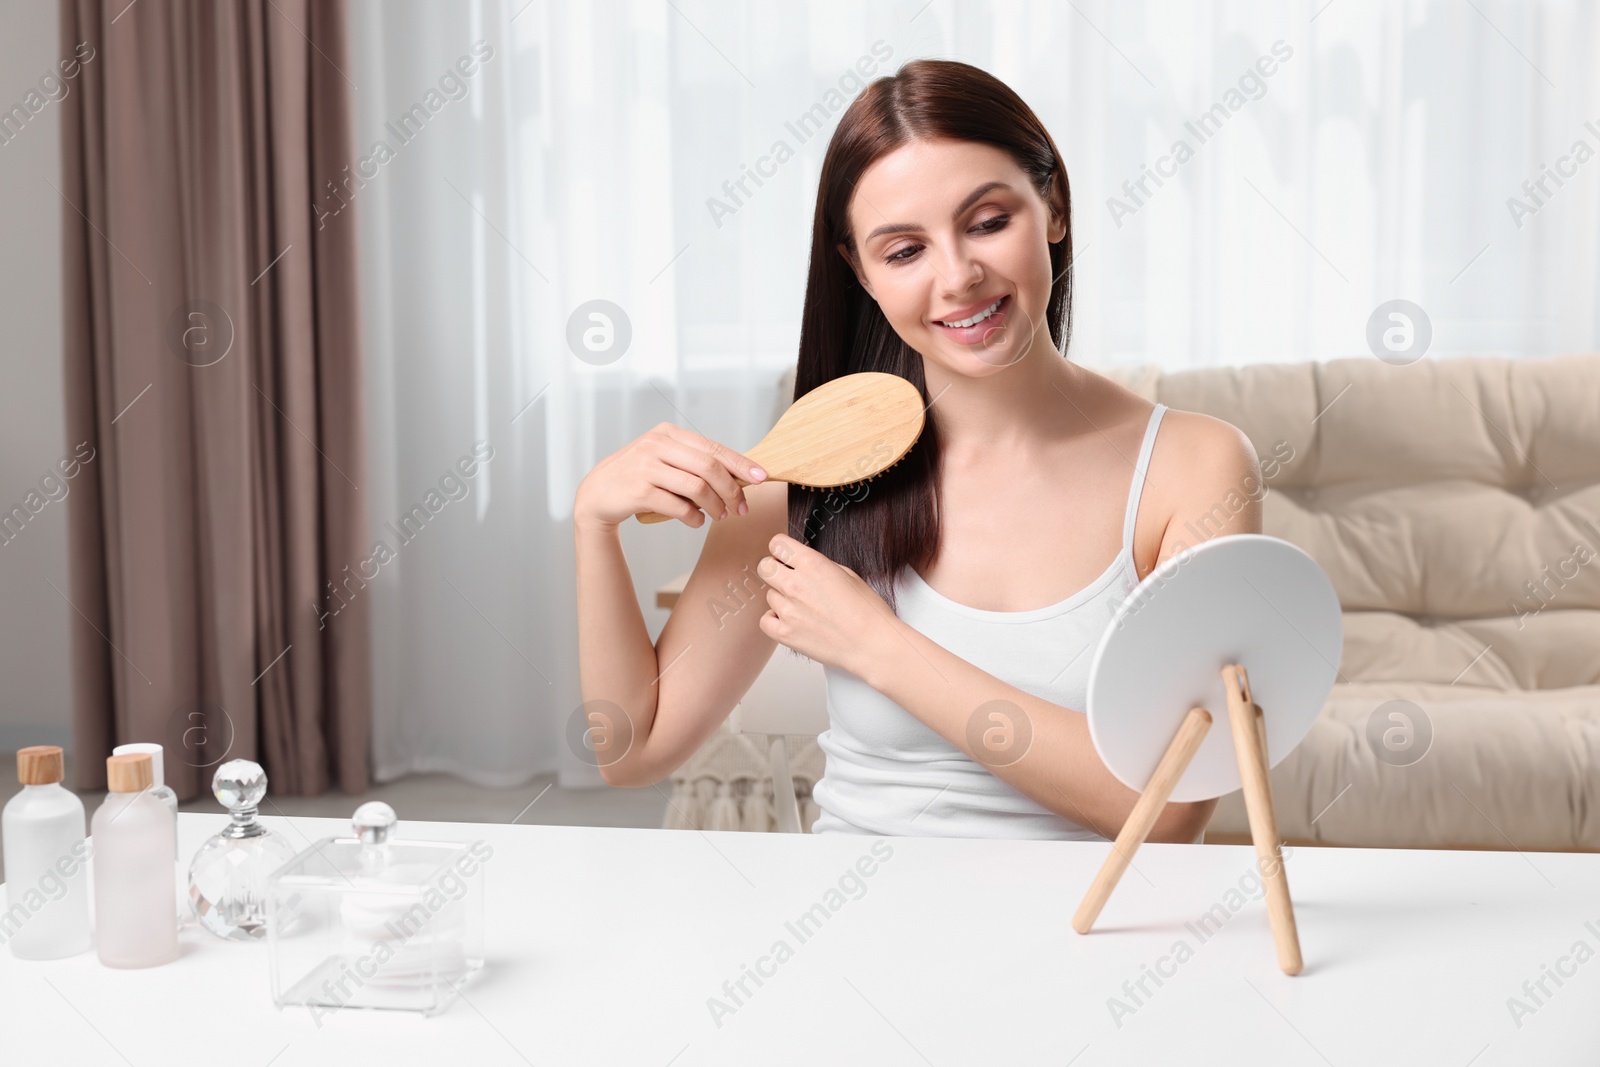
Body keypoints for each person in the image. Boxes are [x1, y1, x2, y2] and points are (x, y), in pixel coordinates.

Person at [574, 59, 1262, 842]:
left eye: (989, 221)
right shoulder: (806, 477)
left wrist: (881, 646)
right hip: (855, 932)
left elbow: (1169, 809)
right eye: (904, 251)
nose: (959, 276)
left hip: (1096, 937)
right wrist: (593, 526)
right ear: (859, 271)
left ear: (1055, 207)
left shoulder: (1193, 465)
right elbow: (630, 752)